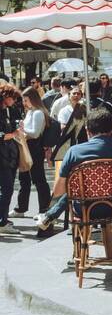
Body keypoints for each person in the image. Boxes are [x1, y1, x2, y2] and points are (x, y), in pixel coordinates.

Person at [35, 109, 112, 235]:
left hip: (85, 209)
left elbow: (58, 191)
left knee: (75, 188)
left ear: (87, 130)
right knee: (77, 187)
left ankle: (50, 215)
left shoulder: (74, 152)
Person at [14, 88, 51, 216]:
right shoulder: (31, 112)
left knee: (38, 179)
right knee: (24, 178)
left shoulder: (38, 113)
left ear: (32, 99)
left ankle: (44, 209)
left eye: (26, 100)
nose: (24, 103)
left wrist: (22, 130)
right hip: (27, 146)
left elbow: (35, 133)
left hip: (34, 147)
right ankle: (21, 208)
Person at [0, 84, 22, 235]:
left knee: (6, 189)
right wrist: (14, 133)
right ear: (5, 96)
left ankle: (3, 219)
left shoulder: (6, 110)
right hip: (3, 157)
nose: (14, 101)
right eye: (12, 98)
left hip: (8, 156)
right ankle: (3, 221)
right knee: (7, 189)